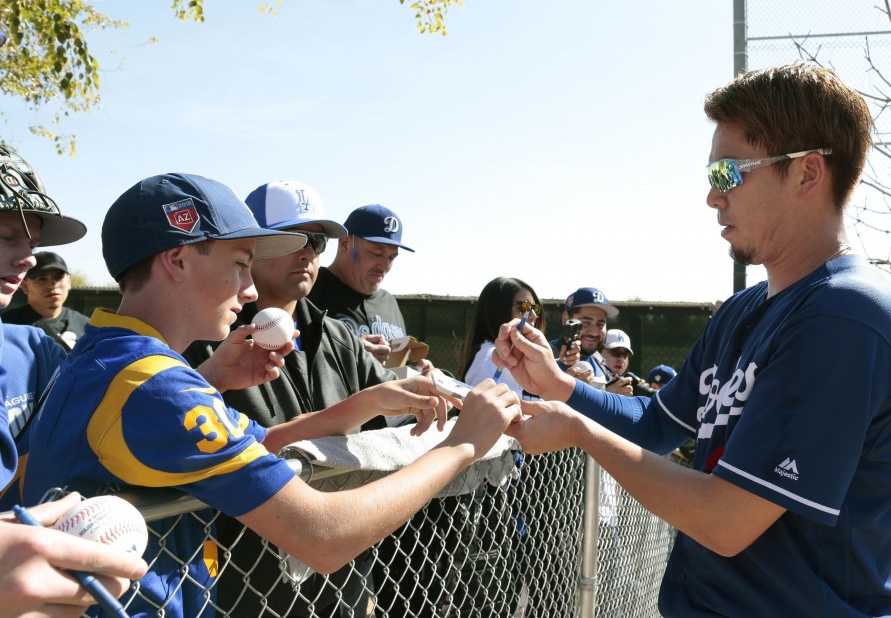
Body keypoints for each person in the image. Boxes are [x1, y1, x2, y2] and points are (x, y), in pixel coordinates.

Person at [495, 63, 891, 616]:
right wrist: (558, 386)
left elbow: (727, 521)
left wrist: (581, 433)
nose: (712, 197)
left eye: (727, 173)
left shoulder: (847, 315)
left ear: (808, 173)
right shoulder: (746, 309)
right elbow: (653, 425)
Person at [22, 172, 521, 617]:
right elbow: (323, 537)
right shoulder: (155, 385)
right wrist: (464, 446)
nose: (250, 291)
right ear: (176, 260)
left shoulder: (107, 352)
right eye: (241, 264)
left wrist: (370, 400)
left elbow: (268, 441)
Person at [182, 179, 399, 616]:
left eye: (317, 240)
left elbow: (392, 422)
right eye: (291, 237)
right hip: (248, 585)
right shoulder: (206, 339)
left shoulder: (336, 335)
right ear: (248, 247)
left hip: (344, 577)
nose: (307, 252)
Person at [0, 145, 146, 614]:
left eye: (30, 243)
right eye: (5, 236)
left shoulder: (30, 351)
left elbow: (105, 425)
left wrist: (213, 376)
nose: (26, 260)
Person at [307, 203, 431, 370]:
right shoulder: (310, 291)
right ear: (345, 244)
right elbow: (290, 361)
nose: (384, 265)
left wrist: (418, 371)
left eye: (392, 257)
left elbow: (397, 370)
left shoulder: (389, 302)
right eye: (376, 253)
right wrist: (350, 352)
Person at [459, 276, 557, 397]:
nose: (533, 315)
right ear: (497, 311)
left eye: (535, 308)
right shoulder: (490, 356)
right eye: (524, 307)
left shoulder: (509, 354)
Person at [2, 250, 90, 350]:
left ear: (69, 281)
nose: (52, 285)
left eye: (58, 277)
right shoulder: (7, 326)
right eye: (42, 279)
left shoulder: (86, 326)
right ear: (25, 286)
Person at [549, 287, 618, 382]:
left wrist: (612, 394)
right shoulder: (546, 357)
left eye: (600, 324)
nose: (594, 332)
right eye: (586, 322)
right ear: (566, 319)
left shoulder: (599, 361)